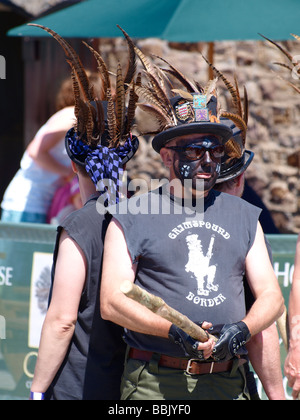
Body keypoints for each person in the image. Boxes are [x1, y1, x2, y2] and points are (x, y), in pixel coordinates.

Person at [100, 53, 284, 400]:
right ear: (166, 156)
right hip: (155, 384)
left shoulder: (244, 215)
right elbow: (112, 301)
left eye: (214, 150)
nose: (207, 160)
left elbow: (272, 298)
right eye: (195, 150)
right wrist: (170, 330)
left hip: (229, 381)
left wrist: (242, 329)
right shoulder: (132, 214)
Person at [29, 25, 139, 400]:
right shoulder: (147, 215)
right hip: (135, 387)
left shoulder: (80, 224)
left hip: (82, 386)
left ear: (75, 165)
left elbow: (62, 321)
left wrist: (37, 390)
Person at [214, 117, 285, 400]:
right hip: (227, 380)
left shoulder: (157, 216)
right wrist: (277, 396)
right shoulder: (246, 225)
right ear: (241, 178)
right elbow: (261, 332)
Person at [0, 77, 75, 223]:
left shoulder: (67, 115)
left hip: (34, 204)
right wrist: (69, 173)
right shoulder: (72, 116)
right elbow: (35, 151)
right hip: (28, 206)